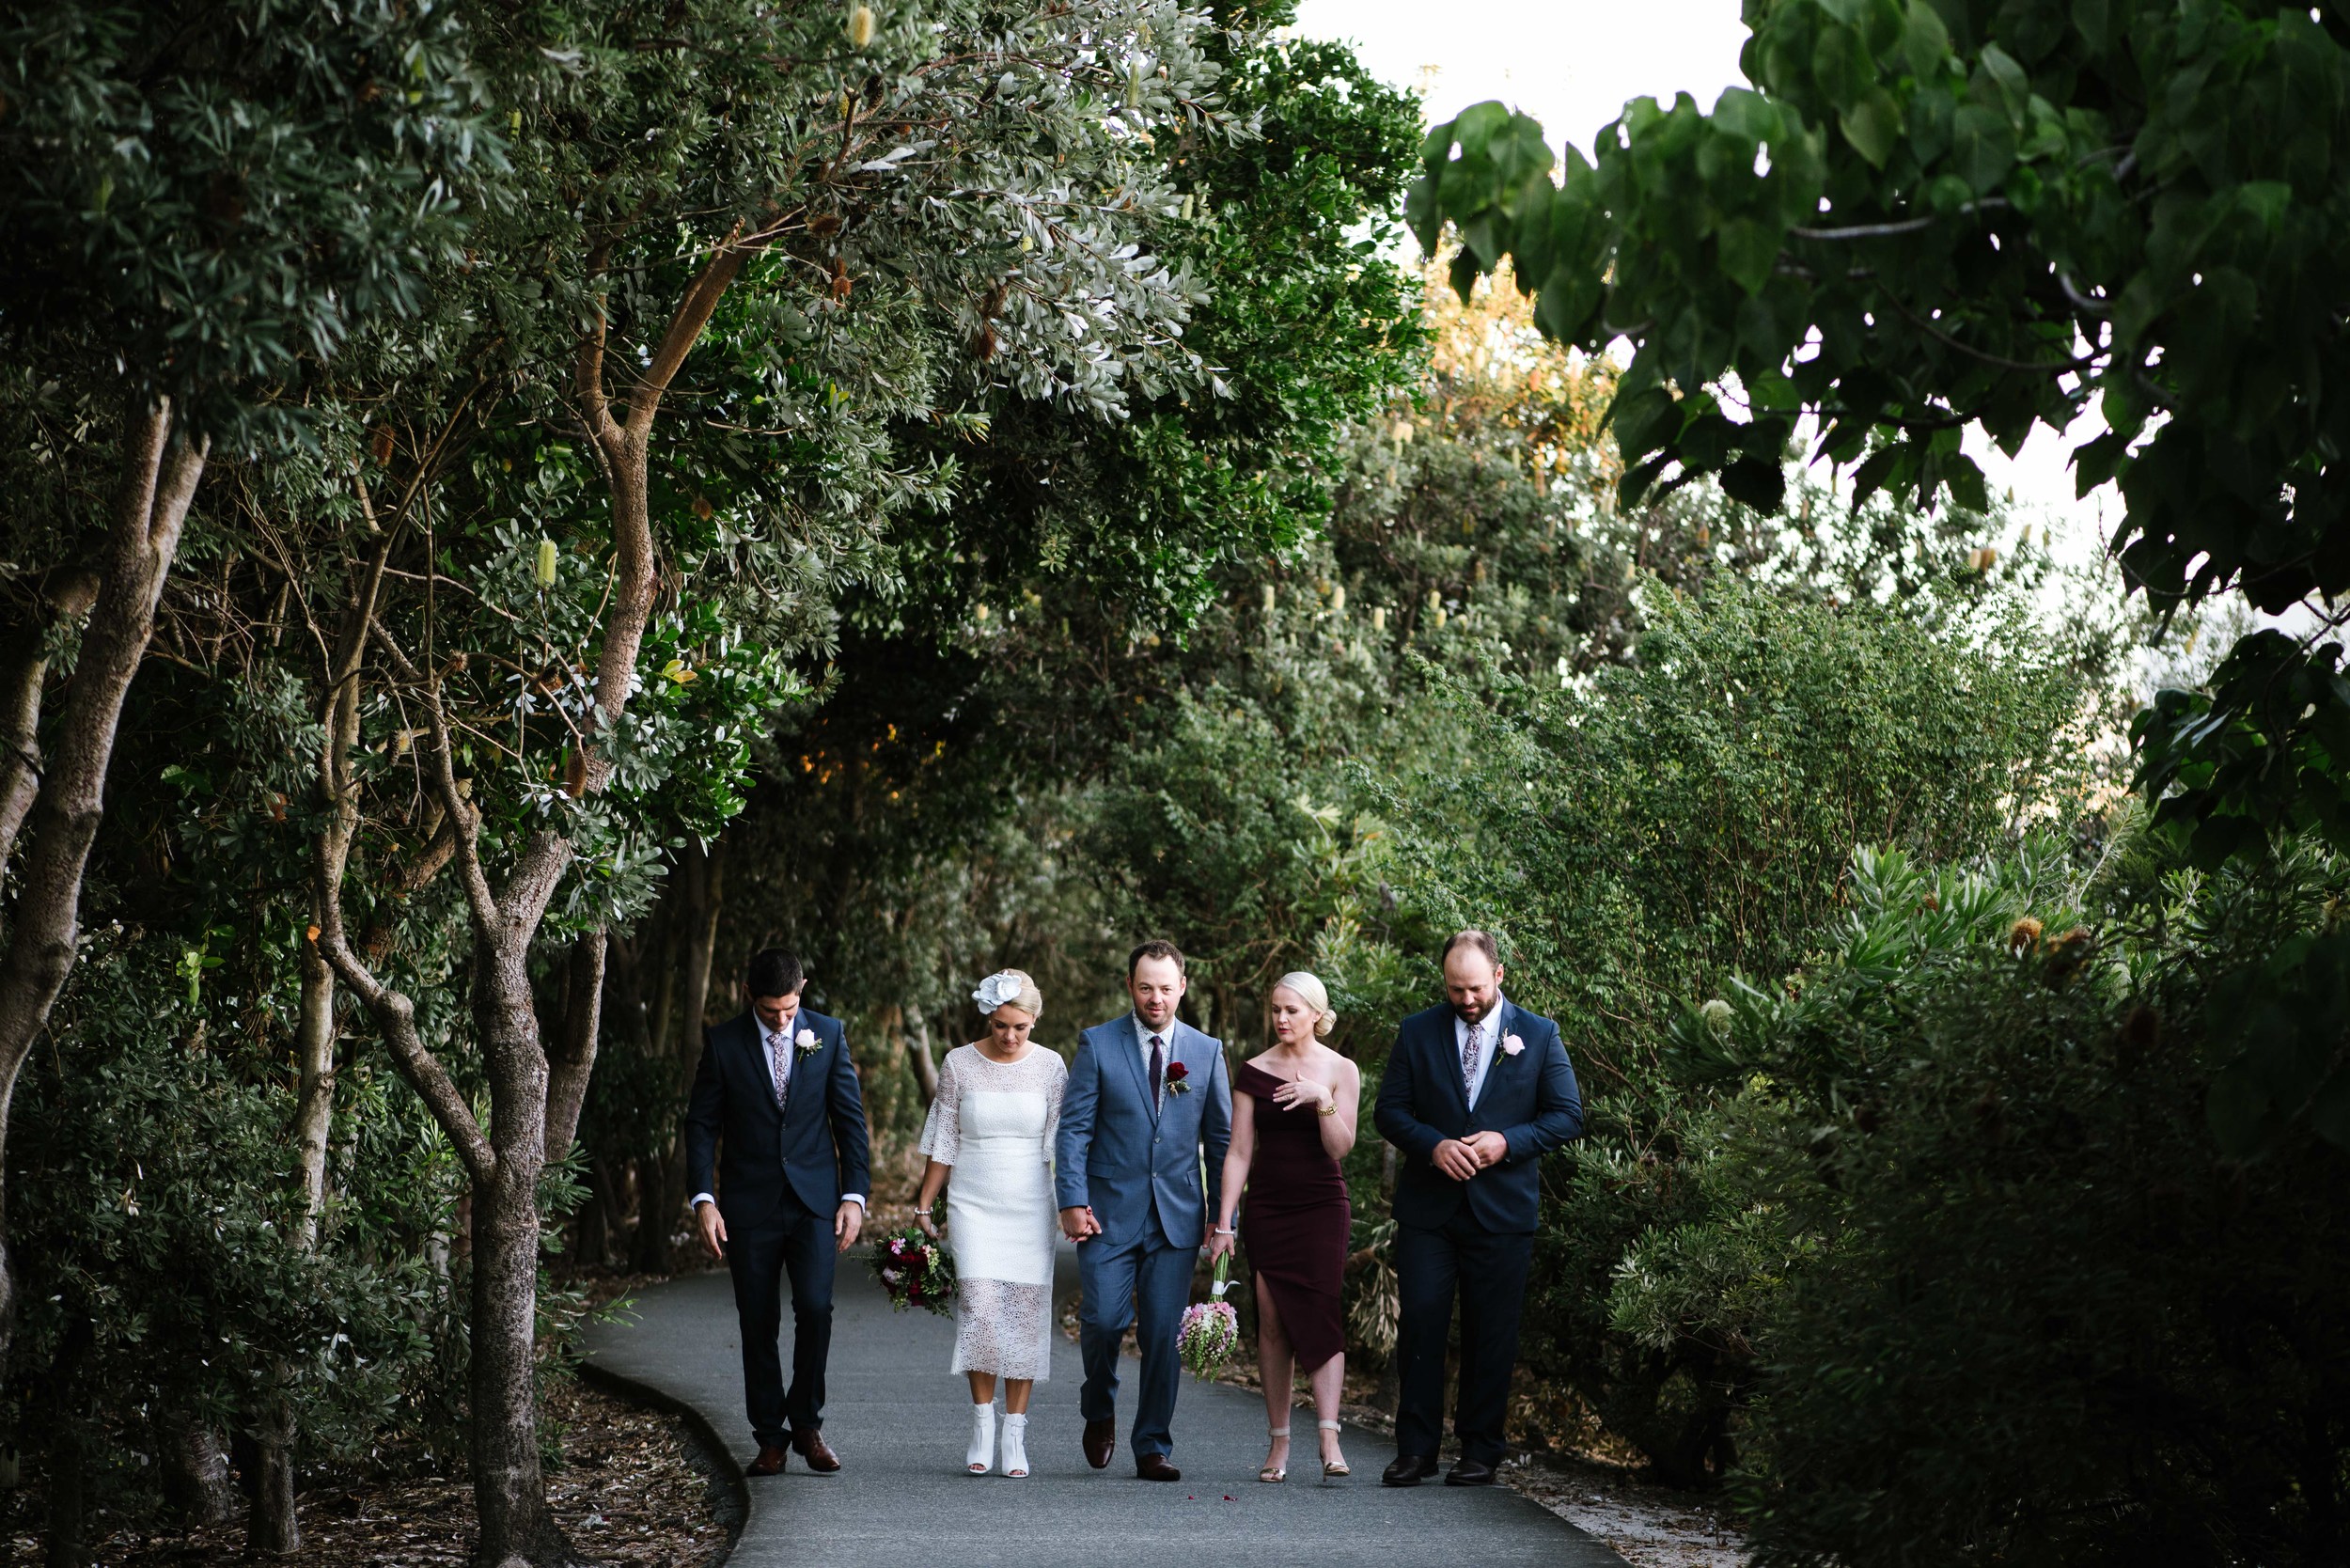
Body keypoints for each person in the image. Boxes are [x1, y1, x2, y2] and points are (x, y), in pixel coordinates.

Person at [1373, 930, 1582, 1488]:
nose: (1464, 1000)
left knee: (1492, 1333)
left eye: (1473, 989)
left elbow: (1567, 1115)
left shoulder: (1538, 1035)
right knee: (1420, 1323)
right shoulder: (1417, 1031)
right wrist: (1433, 1145)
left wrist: (1506, 1142)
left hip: (1503, 1212)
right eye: (1453, 989)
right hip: (1429, 1213)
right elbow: (1389, 1111)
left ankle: (1480, 1451)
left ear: (1499, 975)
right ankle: (1415, 1449)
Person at [684, 948, 871, 1477]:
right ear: (749, 997)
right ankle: (770, 1436)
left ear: (803, 989)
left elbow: (850, 1121)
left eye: (790, 1009)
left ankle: (807, 1424)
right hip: (748, 1205)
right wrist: (704, 1200)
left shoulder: (828, 1035)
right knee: (757, 1321)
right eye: (771, 1012)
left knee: (815, 1309)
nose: (783, 1021)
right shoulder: (723, 1044)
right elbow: (701, 1125)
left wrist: (854, 1197)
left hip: (815, 1203)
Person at [1056, 939, 1232, 1482]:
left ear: (1182, 987)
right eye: (1145, 987)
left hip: (1177, 1217)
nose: (1155, 998)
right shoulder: (1098, 1044)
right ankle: (1099, 1408)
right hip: (1106, 1213)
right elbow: (1075, 1130)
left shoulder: (1207, 1052)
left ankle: (1153, 1443)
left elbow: (1222, 1140)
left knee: (1162, 1334)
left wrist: (1223, 1220)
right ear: (1131, 987)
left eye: (1165, 987)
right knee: (1104, 1321)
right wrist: (1072, 1200)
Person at [912, 969, 1067, 1479]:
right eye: (1001, 1025)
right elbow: (944, 1142)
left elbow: (1063, 1146)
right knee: (979, 1307)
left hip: (1029, 1204)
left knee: (1023, 1311)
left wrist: (1073, 1204)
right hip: (973, 1202)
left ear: (1035, 1021)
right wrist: (923, 1205)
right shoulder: (959, 1062)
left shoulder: (1051, 1067)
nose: (1009, 1036)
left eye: (1020, 1027)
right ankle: (982, 1423)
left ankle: (1015, 1434)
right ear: (989, 1017)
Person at [1210, 970, 1361, 1482]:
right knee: (1272, 1322)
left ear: (1316, 1015)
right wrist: (1225, 1222)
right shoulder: (1253, 1070)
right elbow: (1239, 1150)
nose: (1280, 1018)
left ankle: (1329, 1437)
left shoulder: (1342, 1069)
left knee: (1320, 1310)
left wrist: (1323, 1098)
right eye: (1275, 1009)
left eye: (1291, 1010)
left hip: (1322, 1205)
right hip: (1269, 1208)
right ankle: (1278, 1444)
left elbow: (1340, 1148)